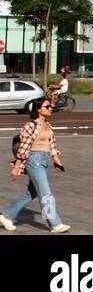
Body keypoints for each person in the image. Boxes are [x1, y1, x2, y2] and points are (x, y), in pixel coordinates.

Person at [1, 96, 69, 233]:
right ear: (38, 109)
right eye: (47, 107)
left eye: (51, 107)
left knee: (32, 192)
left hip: (44, 160)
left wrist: (56, 160)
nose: (51, 109)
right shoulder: (30, 126)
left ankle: (6, 216)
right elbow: (23, 148)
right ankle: (55, 224)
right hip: (34, 160)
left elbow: (52, 144)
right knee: (46, 193)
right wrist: (16, 166)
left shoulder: (48, 125)